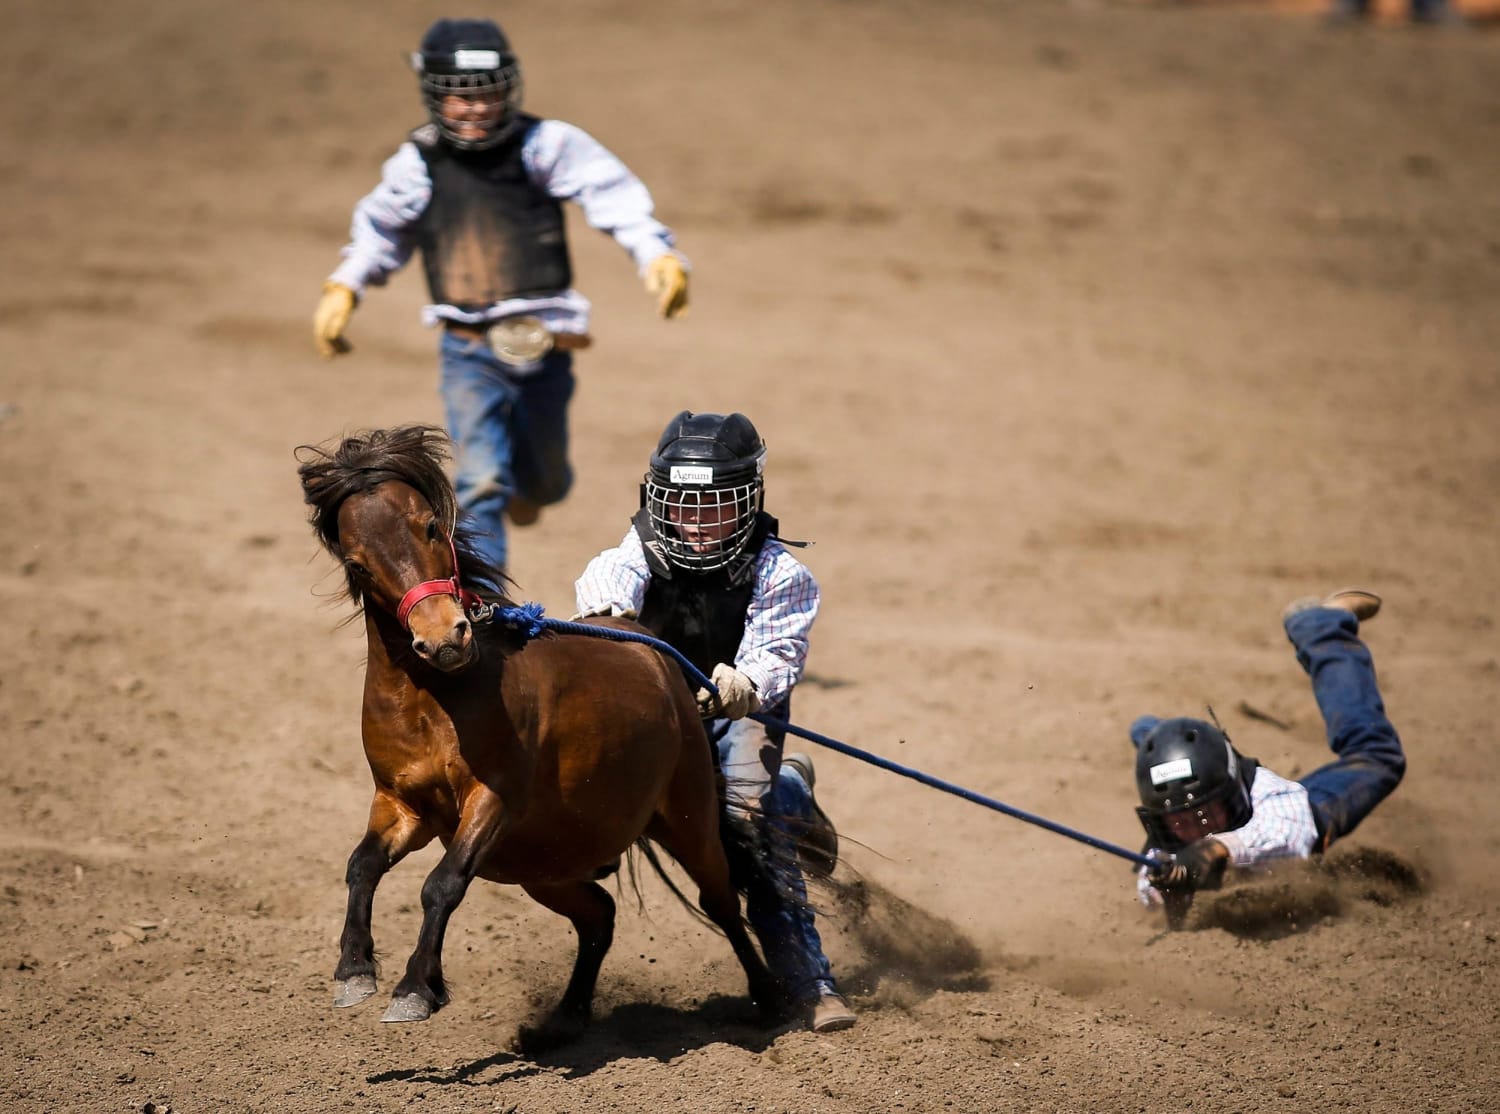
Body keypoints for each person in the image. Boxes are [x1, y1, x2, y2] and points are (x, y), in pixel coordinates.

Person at [312, 17, 690, 572]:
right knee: (480, 478)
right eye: (459, 98)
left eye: (487, 93)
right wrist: (345, 285)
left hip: (548, 343)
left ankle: (533, 488)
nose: (476, 108)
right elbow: (381, 230)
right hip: (468, 347)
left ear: (508, 87)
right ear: (433, 96)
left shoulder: (545, 144)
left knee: (548, 480)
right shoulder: (418, 164)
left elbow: (610, 193)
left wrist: (654, 252)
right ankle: (486, 600)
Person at [574, 410, 856, 1033]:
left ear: (749, 503)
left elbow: (776, 655)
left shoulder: (781, 572)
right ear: (658, 503)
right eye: (682, 506)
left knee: (748, 831)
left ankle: (810, 982)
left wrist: (744, 683)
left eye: (717, 507)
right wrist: (613, 624)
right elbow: (606, 596)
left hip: (738, 711)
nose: (697, 523)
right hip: (655, 711)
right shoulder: (633, 555)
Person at [1131, 588, 1406, 928]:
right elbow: (1149, 886)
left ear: (1234, 794)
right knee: (1164, 748)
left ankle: (1322, 627)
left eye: (1208, 816)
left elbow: (1287, 836)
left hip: (1300, 810)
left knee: (1379, 756)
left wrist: (1217, 849)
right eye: (1182, 823)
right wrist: (1167, 892)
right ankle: (1149, 732)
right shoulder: (1165, 843)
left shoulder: (1276, 804)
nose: (1197, 831)